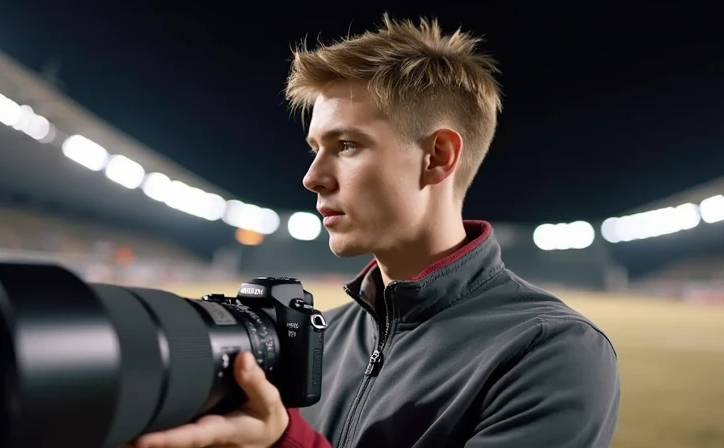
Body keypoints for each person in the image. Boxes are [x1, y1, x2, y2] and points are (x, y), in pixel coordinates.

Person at [129, 14, 620, 448]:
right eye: (314, 148)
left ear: (437, 157)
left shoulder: (552, 350)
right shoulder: (324, 333)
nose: (311, 177)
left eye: (345, 144)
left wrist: (285, 443)